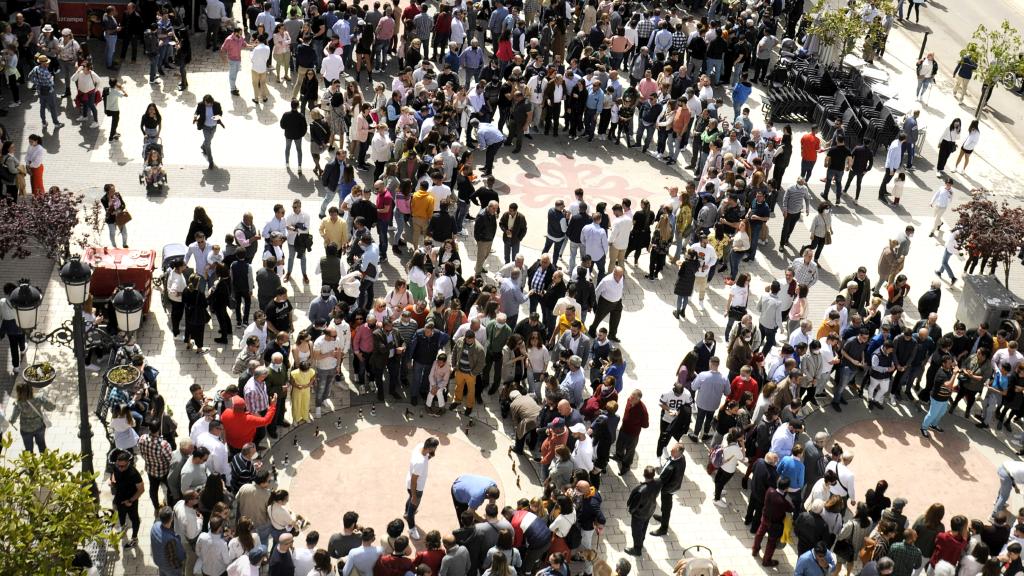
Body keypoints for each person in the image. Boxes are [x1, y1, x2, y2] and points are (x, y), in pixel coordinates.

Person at [406, 437, 439, 541]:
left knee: (410, 499)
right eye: (435, 448)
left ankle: (406, 512)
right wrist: (415, 496)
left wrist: (430, 456)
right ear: (430, 448)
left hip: (410, 485)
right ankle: (411, 528)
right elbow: (414, 481)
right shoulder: (419, 463)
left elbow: (425, 459)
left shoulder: (420, 446)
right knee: (413, 508)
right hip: (416, 488)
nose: (436, 449)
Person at [8, 381, 56, 453]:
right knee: (42, 445)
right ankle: (46, 461)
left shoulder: (18, 403)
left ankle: (30, 462)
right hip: (39, 426)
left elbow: (13, 417)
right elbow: (52, 407)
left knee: (28, 449)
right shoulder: (39, 398)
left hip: (25, 429)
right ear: (30, 389)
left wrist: (11, 421)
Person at [650, 442, 685, 537]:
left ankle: (663, 528)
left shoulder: (676, 465)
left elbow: (675, 481)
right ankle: (663, 517)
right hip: (667, 487)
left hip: (668, 489)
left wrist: (665, 490)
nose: (670, 451)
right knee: (665, 506)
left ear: (678, 453)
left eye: (673, 450)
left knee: (666, 507)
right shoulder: (680, 457)